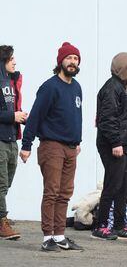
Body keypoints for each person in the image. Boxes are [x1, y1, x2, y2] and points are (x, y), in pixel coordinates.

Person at [19, 42, 83, 251]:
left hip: (71, 148)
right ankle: (47, 237)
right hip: (52, 145)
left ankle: (59, 235)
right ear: (60, 62)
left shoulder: (76, 87)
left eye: (76, 58)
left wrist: (77, 142)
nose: (73, 62)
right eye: (69, 58)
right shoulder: (50, 86)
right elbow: (35, 116)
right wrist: (26, 144)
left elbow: (76, 117)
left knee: (65, 193)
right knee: (52, 192)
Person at [92, 52, 127, 240]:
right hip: (113, 145)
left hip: (124, 145)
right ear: (126, 68)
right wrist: (116, 142)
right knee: (113, 185)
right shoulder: (112, 88)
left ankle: (120, 225)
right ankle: (101, 225)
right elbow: (107, 119)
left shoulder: (121, 88)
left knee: (124, 186)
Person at [0, 45, 27, 240]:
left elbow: (12, 109)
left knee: (6, 183)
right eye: (11, 59)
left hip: (11, 139)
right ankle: (2, 221)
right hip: (0, 140)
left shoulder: (12, 81)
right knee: (0, 184)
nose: (15, 62)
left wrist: (21, 117)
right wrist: (12, 116)